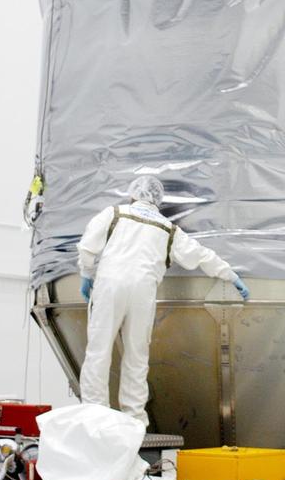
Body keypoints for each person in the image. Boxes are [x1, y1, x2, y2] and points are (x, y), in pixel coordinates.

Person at [79, 177, 249, 427]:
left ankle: (95, 413)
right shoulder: (168, 229)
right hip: (144, 291)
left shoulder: (115, 213)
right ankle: (134, 418)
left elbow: (88, 246)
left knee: (99, 348)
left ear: (133, 194)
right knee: (137, 353)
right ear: (157, 200)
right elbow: (201, 255)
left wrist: (85, 273)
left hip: (110, 285)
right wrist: (231, 275)